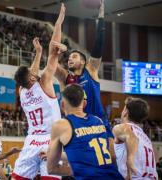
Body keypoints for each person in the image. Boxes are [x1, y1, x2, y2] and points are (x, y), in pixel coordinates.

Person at [55, 0, 116, 161]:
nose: (70, 59)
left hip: (99, 120)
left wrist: (101, 15)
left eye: (74, 56)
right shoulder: (65, 78)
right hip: (77, 125)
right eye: (69, 57)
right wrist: (58, 52)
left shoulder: (91, 70)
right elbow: (50, 65)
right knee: (79, 163)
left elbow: (99, 43)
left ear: (83, 61)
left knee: (112, 158)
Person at [12, 4, 67, 180]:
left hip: (31, 140)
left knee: (17, 177)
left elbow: (32, 71)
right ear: (32, 78)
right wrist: (58, 23)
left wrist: (38, 52)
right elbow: (53, 52)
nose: (33, 71)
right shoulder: (43, 82)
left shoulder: (21, 90)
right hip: (51, 140)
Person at [47, 84, 123, 179]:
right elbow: (88, 153)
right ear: (84, 104)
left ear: (62, 105)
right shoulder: (98, 121)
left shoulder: (61, 125)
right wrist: (61, 156)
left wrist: (79, 169)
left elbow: (51, 169)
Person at [113, 97, 158, 179]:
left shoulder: (121, 128)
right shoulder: (146, 138)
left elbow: (131, 137)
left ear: (126, 112)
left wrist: (130, 159)